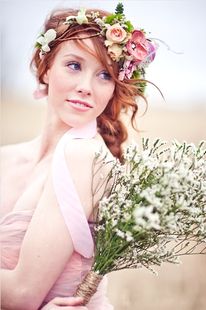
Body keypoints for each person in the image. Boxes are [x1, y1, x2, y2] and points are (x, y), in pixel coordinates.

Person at [1, 3, 157, 309]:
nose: (86, 87)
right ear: (45, 67)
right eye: (74, 65)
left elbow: (22, 295)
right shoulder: (4, 159)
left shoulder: (83, 156)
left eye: (104, 75)